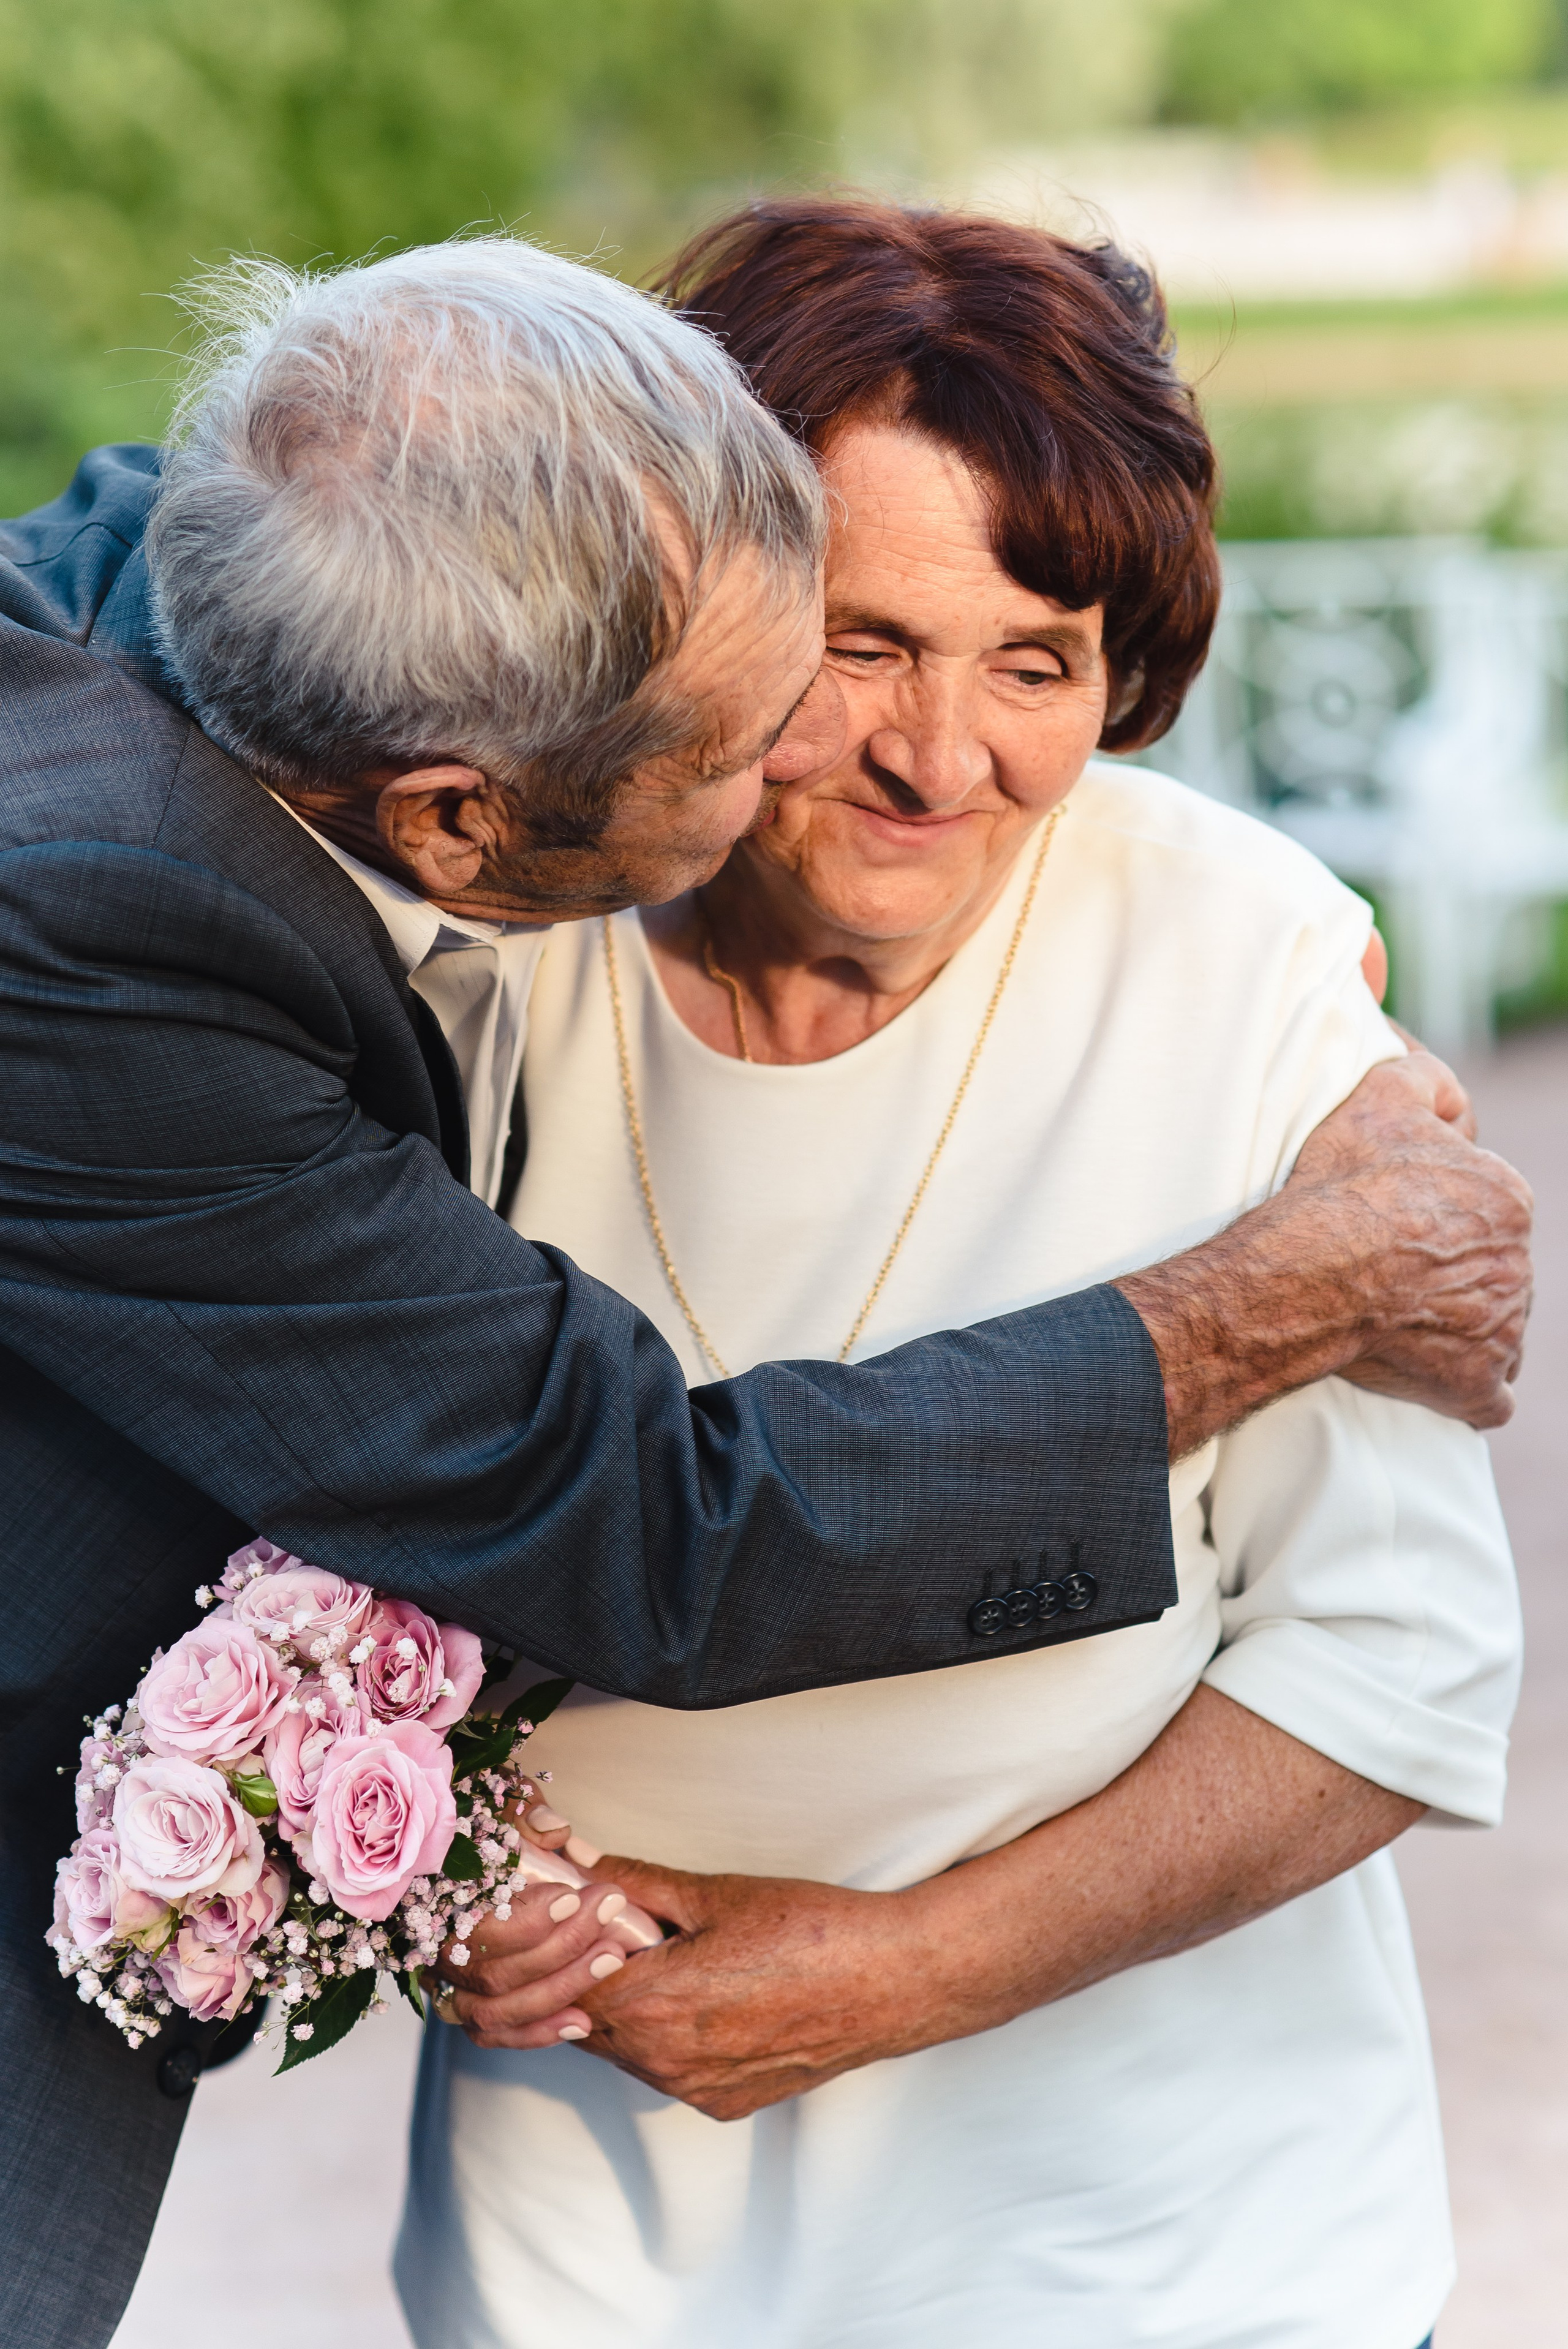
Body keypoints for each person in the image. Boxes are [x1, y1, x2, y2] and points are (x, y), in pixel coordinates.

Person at [0, 236, 1527, 2349]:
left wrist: (907, 1972)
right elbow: (577, 1517)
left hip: (1161, 2255)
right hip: (589, 2252)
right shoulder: (422, 930)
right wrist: (442, 1880)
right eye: (837, 652)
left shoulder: (1240, 958)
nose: (927, 756)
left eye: (1039, 658)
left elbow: (1399, 1655)